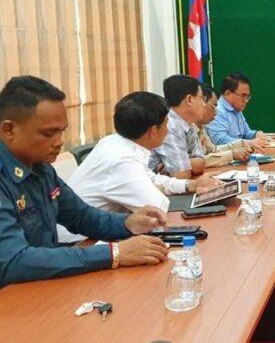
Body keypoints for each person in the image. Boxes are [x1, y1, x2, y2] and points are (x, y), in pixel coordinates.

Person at [0, 76, 169, 287]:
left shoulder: (40, 168)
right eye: (48, 133)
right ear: (9, 130)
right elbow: (13, 261)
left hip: (41, 284)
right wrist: (114, 253)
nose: (59, 142)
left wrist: (128, 223)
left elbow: (81, 216)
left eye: (62, 131)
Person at [66, 92, 219, 215]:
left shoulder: (115, 142)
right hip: (83, 240)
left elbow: (152, 180)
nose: (168, 130)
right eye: (166, 124)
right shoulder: (122, 160)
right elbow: (158, 207)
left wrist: (191, 185)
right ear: (152, 131)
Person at [149, 75, 206, 178]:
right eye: (202, 98)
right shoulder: (169, 126)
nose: (204, 104)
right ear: (189, 99)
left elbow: (201, 164)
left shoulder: (187, 124)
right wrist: (186, 163)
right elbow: (181, 175)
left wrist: (182, 161)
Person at [206, 72, 269, 147]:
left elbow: (246, 133)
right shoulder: (217, 110)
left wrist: (256, 134)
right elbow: (220, 140)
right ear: (227, 93)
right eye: (243, 95)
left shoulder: (236, 108)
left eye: (248, 96)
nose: (246, 100)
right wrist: (249, 143)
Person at [197, 84, 253, 167]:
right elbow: (196, 162)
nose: (216, 111)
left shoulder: (201, 127)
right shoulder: (186, 129)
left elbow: (213, 150)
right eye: (213, 106)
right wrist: (232, 154)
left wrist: (241, 143)